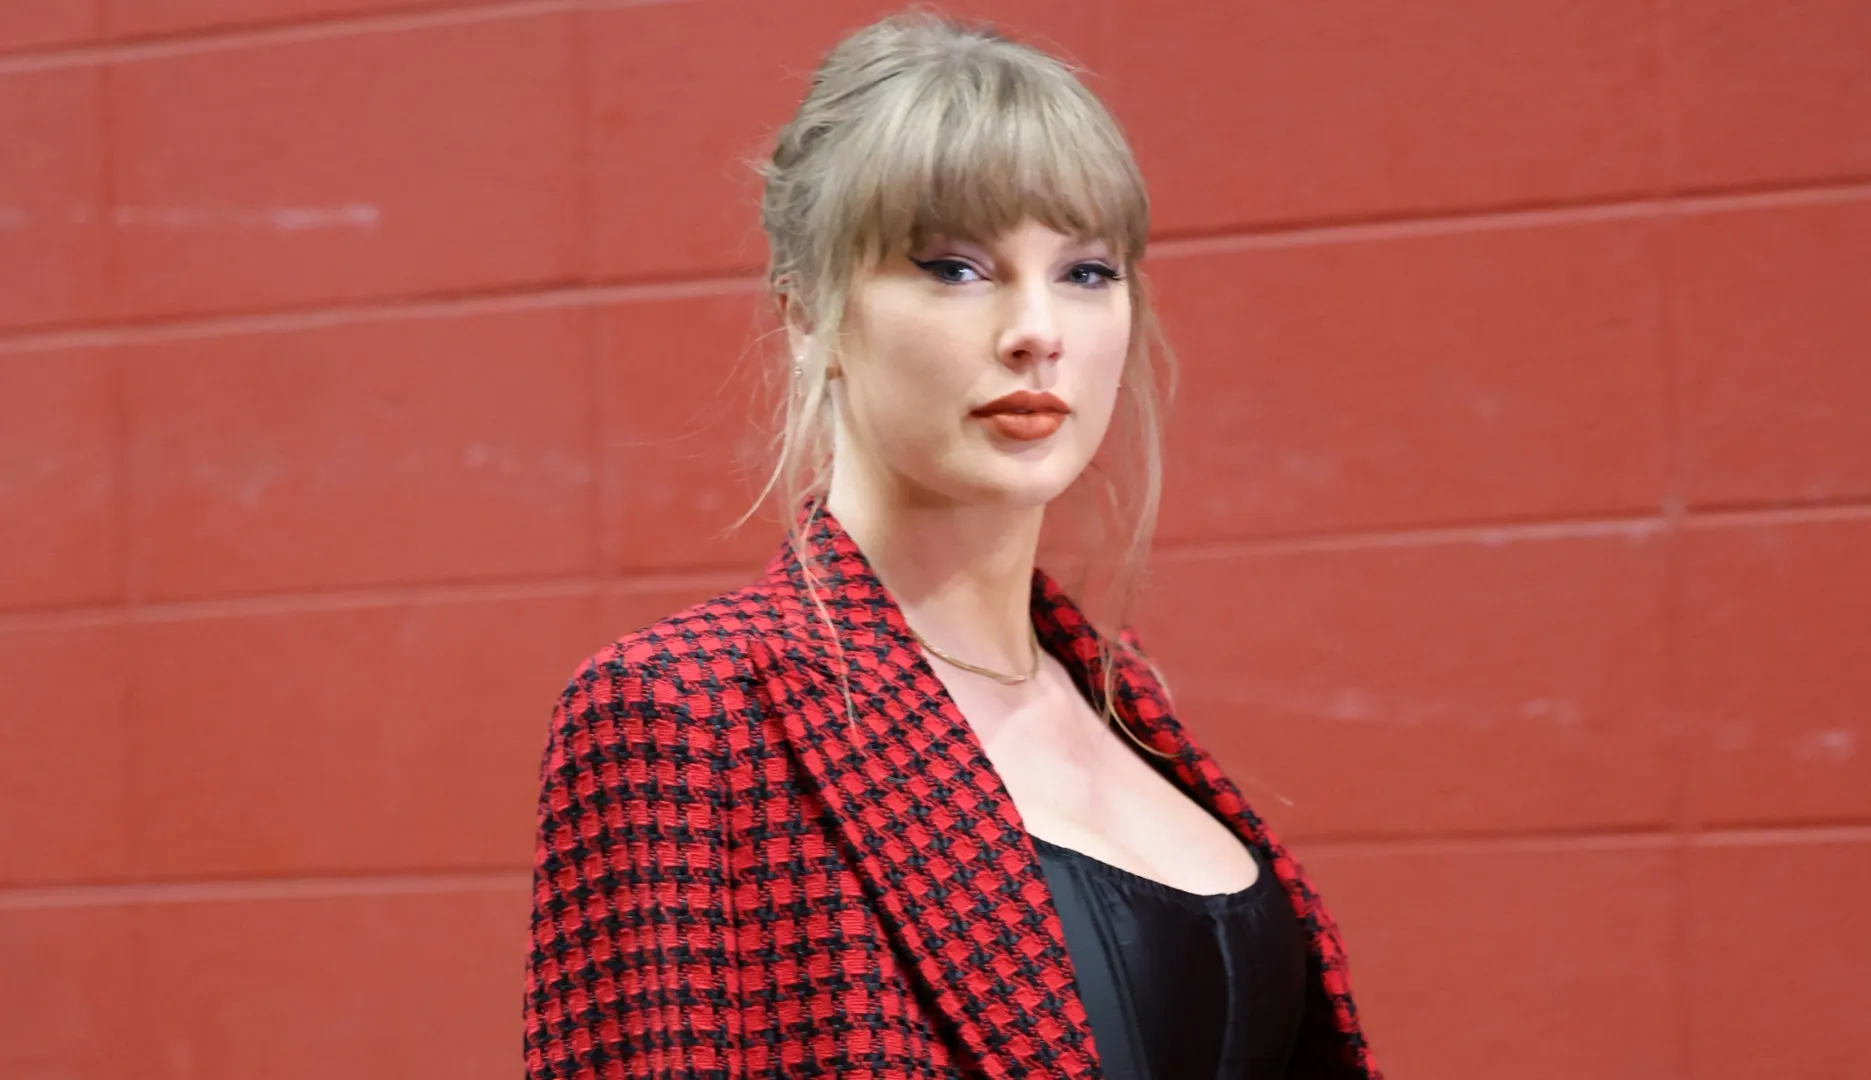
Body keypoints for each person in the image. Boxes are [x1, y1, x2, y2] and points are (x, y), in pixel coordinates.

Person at [523, 11, 1381, 1079]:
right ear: (811, 316)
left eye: (1086, 271)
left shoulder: (1121, 703)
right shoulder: (683, 711)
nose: (1038, 330)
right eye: (956, 268)